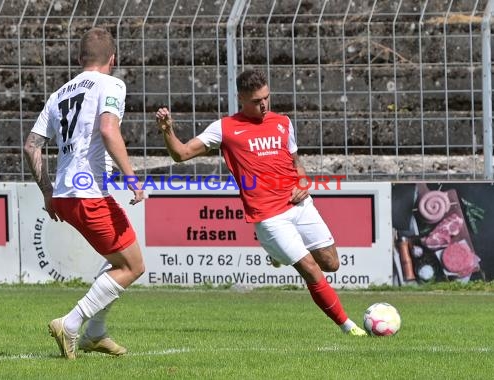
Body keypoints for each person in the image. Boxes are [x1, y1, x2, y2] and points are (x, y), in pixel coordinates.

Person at [155, 69, 367, 336]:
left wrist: (303, 183)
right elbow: (181, 153)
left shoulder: (283, 122)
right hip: (269, 216)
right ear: (241, 98)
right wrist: (168, 131)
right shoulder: (225, 128)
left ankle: (277, 254)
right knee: (311, 269)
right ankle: (349, 327)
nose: (264, 104)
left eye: (267, 97)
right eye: (257, 101)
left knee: (330, 263)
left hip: (300, 204)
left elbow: (296, 165)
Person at [24, 27, 146, 359]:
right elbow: (109, 129)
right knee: (133, 266)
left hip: (66, 195)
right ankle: (72, 323)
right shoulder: (112, 84)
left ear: (79, 59)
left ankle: (95, 333)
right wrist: (132, 178)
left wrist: (48, 192)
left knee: (117, 261)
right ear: (113, 58)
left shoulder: (59, 94)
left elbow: (31, 146)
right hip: (89, 193)